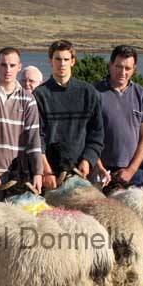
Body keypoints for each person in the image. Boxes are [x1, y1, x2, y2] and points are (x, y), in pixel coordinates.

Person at [34, 40, 104, 190]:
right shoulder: (40, 95)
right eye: (58, 59)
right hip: (52, 174)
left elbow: (96, 134)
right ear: (50, 61)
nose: (62, 64)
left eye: (66, 59)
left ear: (73, 61)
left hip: (83, 171)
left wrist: (88, 160)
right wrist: (46, 171)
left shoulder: (89, 93)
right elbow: (37, 137)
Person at [0, 47, 42, 200]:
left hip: (18, 176)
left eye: (12, 65)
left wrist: (38, 172)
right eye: (3, 65)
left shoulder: (28, 100)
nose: (7, 70)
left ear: (19, 67)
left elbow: (33, 140)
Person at [94, 45, 143, 187]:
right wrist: (99, 166)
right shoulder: (94, 92)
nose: (122, 72)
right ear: (110, 65)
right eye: (118, 67)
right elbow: (87, 134)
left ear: (134, 69)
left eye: (128, 68)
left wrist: (131, 170)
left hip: (135, 172)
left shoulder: (142, 95)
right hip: (102, 171)